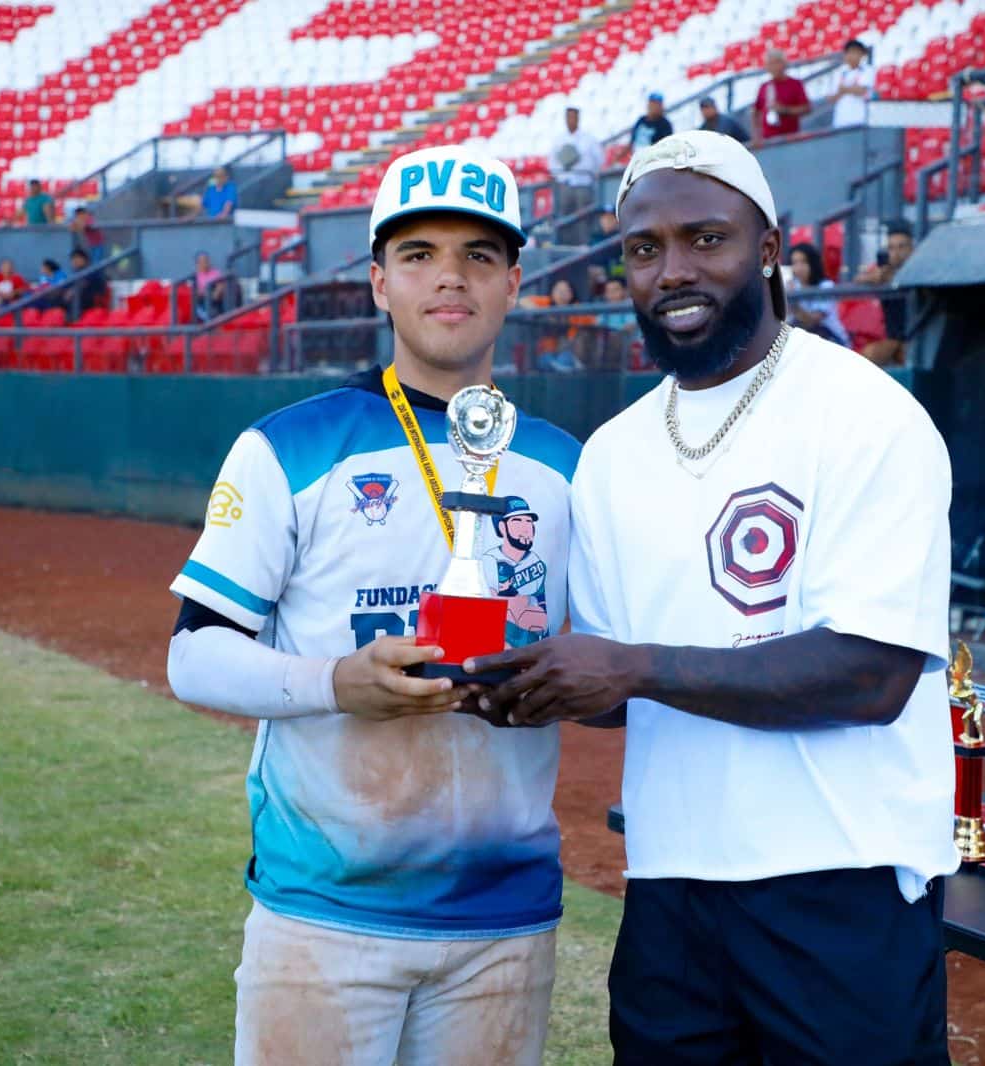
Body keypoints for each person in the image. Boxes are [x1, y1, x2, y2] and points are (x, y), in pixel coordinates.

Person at [466, 130, 955, 1064]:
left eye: (706, 239)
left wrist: (629, 666)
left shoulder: (865, 415)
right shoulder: (611, 454)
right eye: (644, 250)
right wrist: (521, 682)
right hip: (672, 889)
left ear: (768, 248)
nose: (672, 270)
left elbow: (872, 675)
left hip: (838, 881)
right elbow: (621, 683)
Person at [164, 144, 580, 1066]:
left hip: (504, 924)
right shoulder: (288, 446)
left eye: (479, 255)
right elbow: (191, 656)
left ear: (514, 282)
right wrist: (336, 681)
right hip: (325, 914)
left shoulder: (565, 465)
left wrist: (558, 683)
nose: (450, 277)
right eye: (419, 253)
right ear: (379, 283)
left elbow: (608, 663)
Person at [855, 219, 917, 366]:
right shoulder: (883, 271)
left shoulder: (918, 269)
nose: (896, 253)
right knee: (865, 357)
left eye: (901, 247)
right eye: (891, 248)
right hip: (893, 340)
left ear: (912, 248)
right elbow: (858, 279)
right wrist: (875, 277)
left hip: (918, 339)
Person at [549, 103, 604, 244]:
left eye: (573, 117)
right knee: (564, 216)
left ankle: (583, 245)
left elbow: (599, 159)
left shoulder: (588, 139)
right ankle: (565, 246)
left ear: (578, 118)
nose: (571, 120)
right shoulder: (559, 139)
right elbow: (552, 162)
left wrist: (590, 173)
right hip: (565, 184)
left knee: (583, 217)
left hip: (583, 184)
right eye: (568, 117)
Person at [784, 242, 850, 345]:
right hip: (805, 338)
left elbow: (813, 321)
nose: (799, 268)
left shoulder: (826, 286)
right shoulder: (792, 285)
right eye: (795, 263)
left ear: (813, 263)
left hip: (831, 339)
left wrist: (792, 301)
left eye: (804, 262)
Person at [755, 49, 811, 139]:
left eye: (776, 63)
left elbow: (806, 108)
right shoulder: (764, 87)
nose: (773, 67)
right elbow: (756, 112)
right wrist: (756, 136)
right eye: (770, 64)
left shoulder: (795, 84)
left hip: (790, 138)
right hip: (768, 140)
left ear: (784, 64)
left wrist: (785, 110)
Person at [827, 39, 875, 128]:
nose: (853, 56)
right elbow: (831, 98)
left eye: (856, 53)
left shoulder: (868, 70)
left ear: (862, 55)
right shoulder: (838, 72)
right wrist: (848, 90)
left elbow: (862, 90)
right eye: (850, 52)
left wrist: (843, 90)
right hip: (841, 120)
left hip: (860, 120)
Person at [63, 249, 108, 319]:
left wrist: (74, 291)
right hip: (75, 305)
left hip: (91, 303)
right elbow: (66, 290)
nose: (75, 261)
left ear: (85, 259)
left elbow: (99, 289)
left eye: (77, 258)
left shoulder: (93, 272)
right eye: (73, 259)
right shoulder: (74, 275)